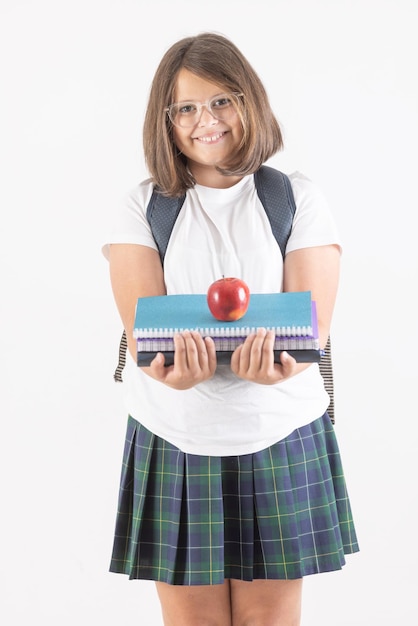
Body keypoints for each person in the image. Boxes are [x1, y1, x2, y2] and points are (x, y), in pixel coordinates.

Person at [103, 32, 359, 626]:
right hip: (174, 432)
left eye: (221, 101)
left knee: (269, 620)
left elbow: (310, 327)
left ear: (249, 103)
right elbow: (145, 332)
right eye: (186, 107)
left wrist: (283, 366)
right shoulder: (142, 208)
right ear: (165, 120)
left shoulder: (297, 199)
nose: (204, 121)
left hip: (280, 428)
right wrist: (171, 373)